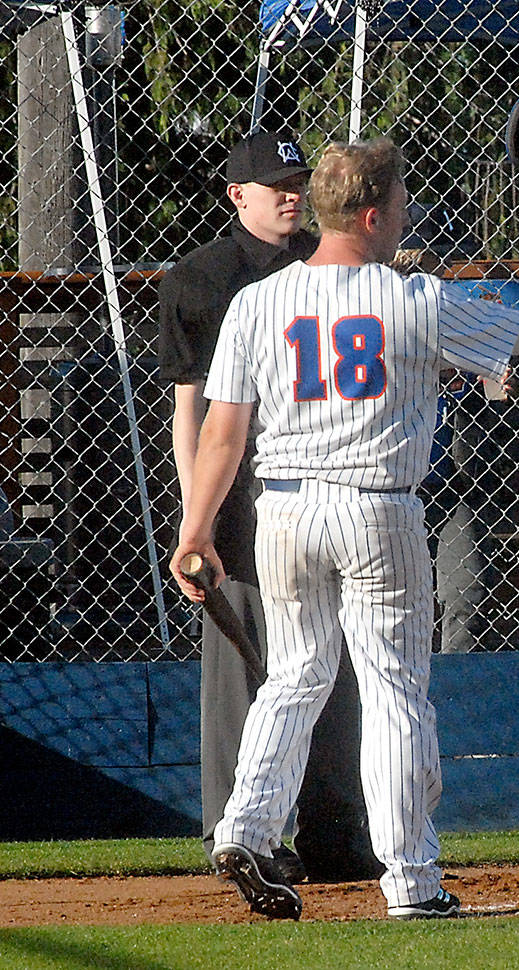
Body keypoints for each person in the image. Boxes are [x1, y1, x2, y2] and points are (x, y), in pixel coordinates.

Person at [169, 138, 519, 920]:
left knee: (295, 677)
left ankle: (245, 826)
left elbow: (223, 435)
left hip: (285, 507)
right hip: (378, 508)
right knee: (394, 689)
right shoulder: (413, 298)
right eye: (399, 204)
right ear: (371, 216)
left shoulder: (259, 302)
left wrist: (194, 529)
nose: (405, 215)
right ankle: (410, 880)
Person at [156, 129, 379, 883]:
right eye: (273, 182)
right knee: (243, 671)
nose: (289, 193)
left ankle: (333, 832)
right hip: (238, 501)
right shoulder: (201, 278)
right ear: (235, 195)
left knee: (333, 669)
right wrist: (196, 516)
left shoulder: (330, 263)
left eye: (297, 180)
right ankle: (238, 834)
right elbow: (191, 411)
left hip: (324, 494)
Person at [419, 369, 510, 653]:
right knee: (393, 594)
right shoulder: (395, 339)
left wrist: (502, 388)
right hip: (394, 488)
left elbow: (504, 410)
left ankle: (455, 685)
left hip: (456, 488)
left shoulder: (471, 342)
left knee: (466, 588)